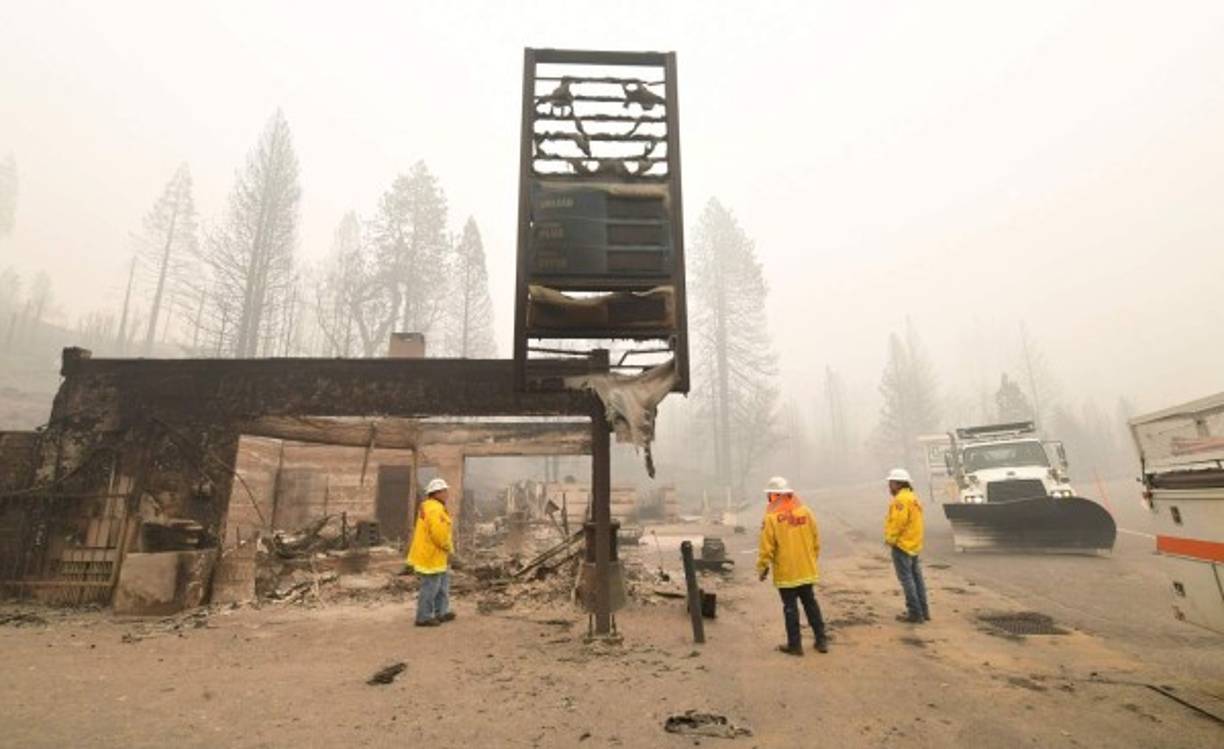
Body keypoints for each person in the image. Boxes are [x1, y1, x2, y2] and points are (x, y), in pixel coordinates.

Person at [756, 476, 828, 656]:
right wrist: (811, 560)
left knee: (790, 607)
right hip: (806, 570)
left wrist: (762, 567)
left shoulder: (771, 518)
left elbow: (767, 547)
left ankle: (795, 645)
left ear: (774, 495)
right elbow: (816, 539)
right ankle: (821, 640)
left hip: (787, 573)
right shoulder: (805, 512)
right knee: (810, 603)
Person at [407, 477, 455, 627]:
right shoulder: (435, 509)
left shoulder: (430, 507)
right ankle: (424, 617)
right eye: (445, 491)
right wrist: (449, 548)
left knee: (442, 584)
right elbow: (438, 534)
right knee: (430, 587)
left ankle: (441, 612)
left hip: (437, 555)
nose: (447, 494)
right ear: (437, 493)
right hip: (431, 555)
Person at [884, 468, 929, 624]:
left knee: (907, 580)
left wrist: (890, 539)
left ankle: (915, 613)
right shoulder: (912, 497)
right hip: (914, 544)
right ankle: (923, 611)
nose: (889, 486)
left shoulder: (901, 500)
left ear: (897, 484)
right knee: (917, 579)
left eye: (890, 483)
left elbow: (898, 522)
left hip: (902, 545)